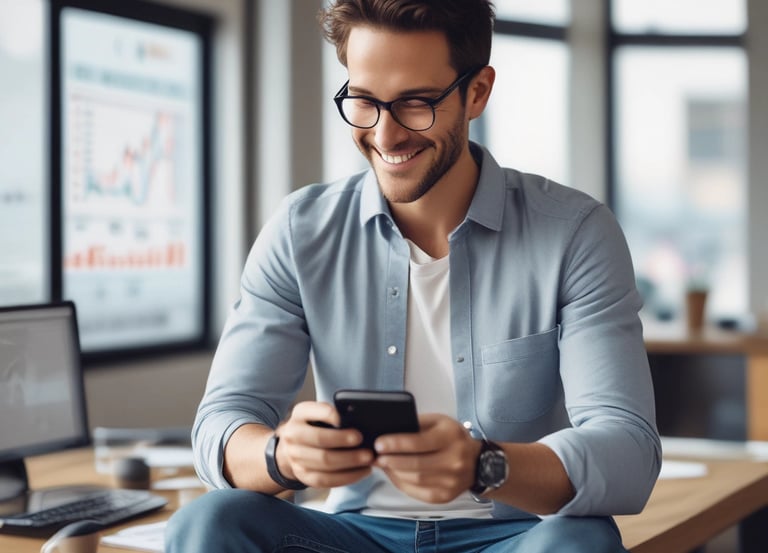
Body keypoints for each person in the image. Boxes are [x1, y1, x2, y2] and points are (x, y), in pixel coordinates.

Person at [166, 0, 661, 551]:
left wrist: (486, 465)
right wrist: (281, 454)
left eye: (416, 103)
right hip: (351, 534)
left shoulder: (574, 232)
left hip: (515, 536)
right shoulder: (298, 231)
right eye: (364, 101)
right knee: (207, 523)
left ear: (477, 92)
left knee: (581, 542)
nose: (385, 134)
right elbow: (221, 425)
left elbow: (629, 451)